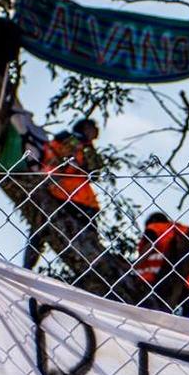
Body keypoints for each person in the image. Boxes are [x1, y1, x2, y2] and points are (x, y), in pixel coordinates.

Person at [32, 119, 118, 291]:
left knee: (83, 237)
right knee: (81, 235)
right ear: (85, 127)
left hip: (78, 196)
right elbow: (74, 167)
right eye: (93, 127)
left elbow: (94, 172)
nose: (97, 131)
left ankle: (86, 276)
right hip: (69, 194)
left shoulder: (81, 144)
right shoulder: (72, 141)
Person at [132, 210, 189, 316]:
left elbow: (150, 246)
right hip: (185, 280)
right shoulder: (182, 229)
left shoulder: (155, 227)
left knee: (153, 307)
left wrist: (133, 266)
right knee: (187, 309)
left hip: (158, 277)